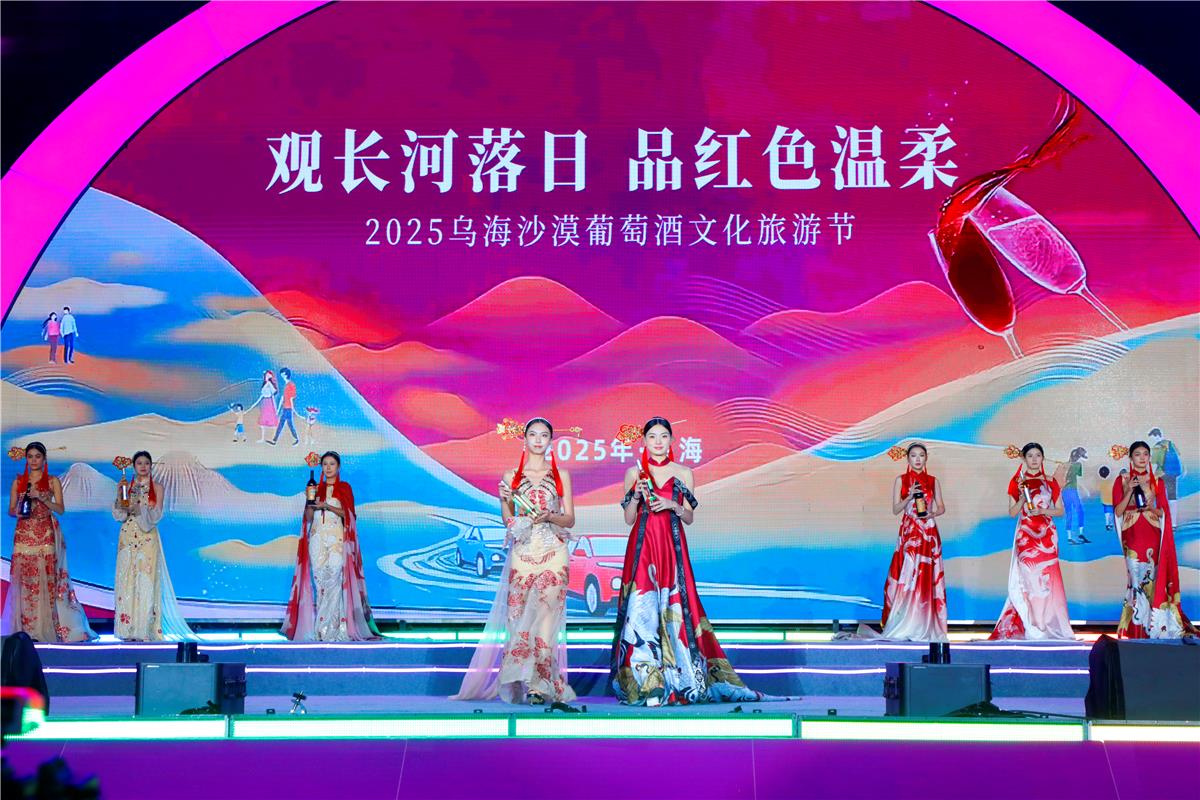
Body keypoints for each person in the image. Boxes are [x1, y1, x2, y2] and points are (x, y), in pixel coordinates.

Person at [610, 418, 774, 705]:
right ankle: (647, 681)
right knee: (641, 609)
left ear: (672, 441)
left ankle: (682, 678)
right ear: (644, 441)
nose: (658, 442)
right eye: (652, 437)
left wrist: (672, 505)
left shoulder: (684, 473)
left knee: (676, 606)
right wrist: (635, 496)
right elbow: (628, 518)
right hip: (643, 546)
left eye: (663, 436)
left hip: (671, 546)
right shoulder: (634, 473)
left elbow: (688, 517)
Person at [454, 418, 577, 705]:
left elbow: (570, 518)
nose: (538, 440)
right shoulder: (512, 476)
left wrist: (550, 516)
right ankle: (520, 679)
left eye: (544, 435)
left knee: (547, 618)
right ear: (525, 439)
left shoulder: (561, 475)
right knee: (520, 618)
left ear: (551, 441)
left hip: (554, 550)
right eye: (533, 434)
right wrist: (505, 502)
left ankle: (539, 685)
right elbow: (508, 519)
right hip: (523, 552)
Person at [282, 451, 380, 641]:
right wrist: (310, 502)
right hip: (317, 538)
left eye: (332, 464)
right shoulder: (316, 488)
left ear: (338, 467)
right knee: (320, 583)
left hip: (336, 539)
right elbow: (309, 518)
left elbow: (349, 514)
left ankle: (334, 629)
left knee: (334, 579)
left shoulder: (344, 488)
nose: (328, 468)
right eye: (325, 464)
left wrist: (327, 506)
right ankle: (321, 629)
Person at [2, 442, 95, 641]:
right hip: (24, 533)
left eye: (38, 456)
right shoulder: (19, 482)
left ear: (44, 459)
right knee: (25, 582)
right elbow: (10, 510)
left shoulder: (53, 481)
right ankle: (26, 630)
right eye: (30, 456)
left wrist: (42, 498)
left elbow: (60, 509)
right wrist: (19, 510)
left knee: (47, 581)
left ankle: (45, 628)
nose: (34, 460)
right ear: (26, 459)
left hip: (45, 534)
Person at [990, 443, 1074, 641]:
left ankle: (1047, 624)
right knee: (1030, 581)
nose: (1034, 459)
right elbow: (1012, 512)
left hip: (1047, 535)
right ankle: (1033, 625)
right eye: (1030, 456)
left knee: (1047, 581)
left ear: (1042, 458)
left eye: (1038, 455)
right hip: (1026, 537)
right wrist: (1021, 497)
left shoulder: (1050, 481)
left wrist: (1043, 510)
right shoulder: (1017, 482)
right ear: (1024, 459)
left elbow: (1060, 510)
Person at [1113, 441, 1194, 639]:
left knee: (1153, 577)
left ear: (1150, 457)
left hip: (1152, 533)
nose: (1142, 458)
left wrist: (1151, 508)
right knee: (1136, 578)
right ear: (1131, 458)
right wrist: (1129, 490)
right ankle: (1135, 627)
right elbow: (1118, 511)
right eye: (1137, 454)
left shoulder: (1157, 481)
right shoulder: (1122, 480)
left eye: (1145, 454)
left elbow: (1163, 512)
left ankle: (1155, 626)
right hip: (1132, 533)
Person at [112, 451, 193, 640]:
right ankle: (126, 630)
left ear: (151, 466)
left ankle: (145, 630)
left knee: (146, 580)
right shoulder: (126, 486)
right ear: (133, 466)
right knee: (126, 579)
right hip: (127, 536)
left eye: (146, 463)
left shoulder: (157, 488)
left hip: (147, 536)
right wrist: (121, 497)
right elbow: (119, 514)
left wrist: (138, 509)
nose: (143, 466)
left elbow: (156, 516)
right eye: (139, 463)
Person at [880, 442, 947, 642]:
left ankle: (924, 623)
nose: (918, 459)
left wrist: (933, 513)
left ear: (926, 458)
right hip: (910, 533)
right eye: (914, 456)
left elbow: (941, 507)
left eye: (921, 456)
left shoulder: (933, 481)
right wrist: (909, 496)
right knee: (908, 575)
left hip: (928, 532)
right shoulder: (901, 480)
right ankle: (905, 621)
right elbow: (895, 509)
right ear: (908, 459)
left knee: (926, 576)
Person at [1148, 428, 1184, 520]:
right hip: (1173, 474)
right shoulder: (1170, 443)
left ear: (1156, 436)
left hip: (1162, 474)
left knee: (1159, 496)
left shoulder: (1157, 447)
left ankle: (1162, 519)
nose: (1152, 441)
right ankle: (1174, 522)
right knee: (1172, 497)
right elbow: (1179, 455)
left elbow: (1154, 464)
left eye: (1152, 438)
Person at [1061, 447, 1090, 544]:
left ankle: (1069, 537)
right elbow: (1079, 474)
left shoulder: (1065, 465)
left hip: (1064, 491)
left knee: (1069, 512)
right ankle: (1080, 533)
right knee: (1080, 511)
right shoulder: (1078, 465)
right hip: (1072, 490)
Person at [269, 368, 300, 447]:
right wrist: (278, 409)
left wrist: (293, 409)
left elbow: (292, 398)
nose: (281, 375)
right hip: (285, 408)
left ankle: (295, 439)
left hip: (288, 409)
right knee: (284, 424)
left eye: (283, 374)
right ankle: (275, 440)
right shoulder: (286, 385)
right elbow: (283, 398)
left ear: (286, 375)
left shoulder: (291, 385)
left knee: (287, 424)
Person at [248, 370, 278, 443]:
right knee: (262, 421)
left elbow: (274, 391)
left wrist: (269, 383)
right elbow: (263, 392)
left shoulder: (271, 384)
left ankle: (274, 438)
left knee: (272, 420)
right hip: (265, 402)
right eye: (266, 375)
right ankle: (262, 438)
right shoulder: (264, 384)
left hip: (270, 402)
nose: (267, 376)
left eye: (268, 375)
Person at [1098, 466, 1115, 531]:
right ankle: (1111, 524)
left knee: (1107, 512)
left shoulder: (1101, 483)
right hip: (1111, 500)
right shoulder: (1111, 482)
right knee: (1112, 512)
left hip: (1104, 501)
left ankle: (1107, 524)